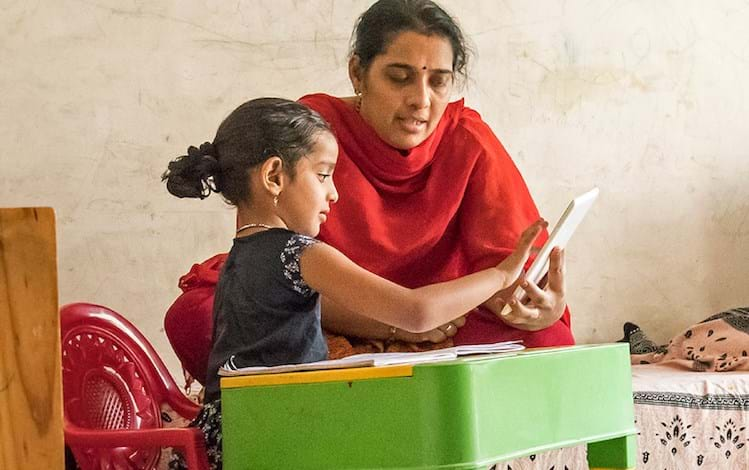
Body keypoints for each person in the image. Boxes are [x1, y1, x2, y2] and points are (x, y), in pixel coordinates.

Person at [162, 97, 545, 469]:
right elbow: (416, 311)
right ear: (275, 176)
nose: (334, 192)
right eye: (324, 175)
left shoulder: (238, 256)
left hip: (227, 435)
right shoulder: (299, 254)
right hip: (276, 436)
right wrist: (501, 275)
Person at [298, 0, 573, 348]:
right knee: (215, 313)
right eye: (400, 78)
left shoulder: (467, 140)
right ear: (357, 73)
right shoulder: (312, 132)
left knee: (548, 339)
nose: (421, 100)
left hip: (447, 320)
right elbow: (277, 276)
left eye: (439, 82)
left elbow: (509, 275)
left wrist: (541, 306)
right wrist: (396, 325)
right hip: (335, 317)